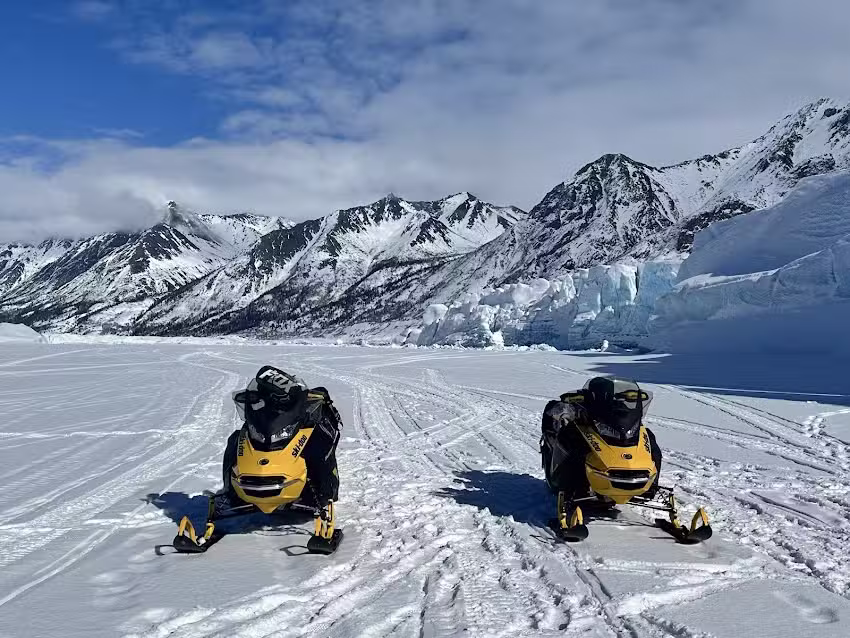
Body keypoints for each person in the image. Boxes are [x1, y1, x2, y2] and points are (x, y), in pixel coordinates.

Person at [220, 365, 342, 512]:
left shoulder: (293, 395)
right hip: (270, 426)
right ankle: (231, 489)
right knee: (235, 439)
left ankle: (323, 490)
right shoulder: (266, 391)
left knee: (316, 442)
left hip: (292, 421)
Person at [540, 376, 661, 500]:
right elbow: (566, 405)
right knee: (571, 439)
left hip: (616, 428)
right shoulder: (590, 403)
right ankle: (567, 485)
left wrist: (633, 399)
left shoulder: (617, 406)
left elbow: (628, 408)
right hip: (594, 425)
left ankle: (651, 484)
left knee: (649, 439)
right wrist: (574, 402)